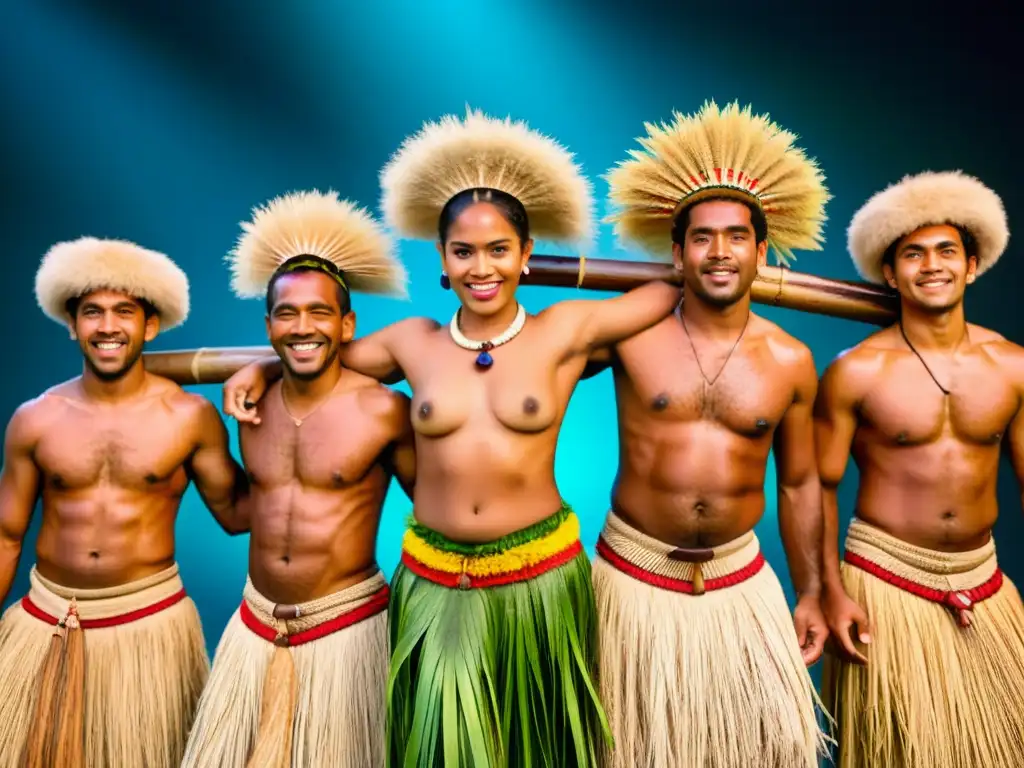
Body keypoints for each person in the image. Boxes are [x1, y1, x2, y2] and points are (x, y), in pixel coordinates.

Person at [221, 108, 682, 767]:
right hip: (435, 583)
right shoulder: (414, 343)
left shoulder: (565, 330)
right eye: (463, 252)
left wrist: (570, 271)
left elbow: (669, 286)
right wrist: (259, 364)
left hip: (540, 580)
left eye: (500, 250)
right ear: (442, 258)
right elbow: (320, 351)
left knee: (537, 751)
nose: (481, 267)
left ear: (527, 255)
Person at [586, 100, 832, 768]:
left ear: (760, 248)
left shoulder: (790, 360)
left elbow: (803, 482)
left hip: (739, 584)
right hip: (632, 581)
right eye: (702, 237)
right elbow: (525, 370)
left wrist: (811, 589)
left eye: (735, 236)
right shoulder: (629, 334)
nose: (719, 251)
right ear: (677, 250)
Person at [181, 190, 415, 768]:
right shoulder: (251, 408)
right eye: (287, 313)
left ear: (347, 323)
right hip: (254, 628)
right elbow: (243, 516)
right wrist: (197, 447)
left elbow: (439, 515)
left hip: (347, 631)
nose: (302, 326)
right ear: (268, 325)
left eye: (319, 312)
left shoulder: (383, 410)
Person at [0, 237, 248, 768]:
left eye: (124, 312)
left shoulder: (188, 416)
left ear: (150, 326)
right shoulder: (34, 418)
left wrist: (273, 415)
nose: (108, 326)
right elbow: (7, 535)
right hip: (46, 622)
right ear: (73, 324)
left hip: (149, 626)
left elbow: (236, 515)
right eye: (92, 312)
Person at [816, 170, 1024, 768]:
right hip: (885, 584)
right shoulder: (857, 371)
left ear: (972, 264)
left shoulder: (1011, 366)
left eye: (946, 252)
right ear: (890, 272)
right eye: (913, 254)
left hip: (984, 583)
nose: (931, 266)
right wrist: (830, 591)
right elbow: (817, 486)